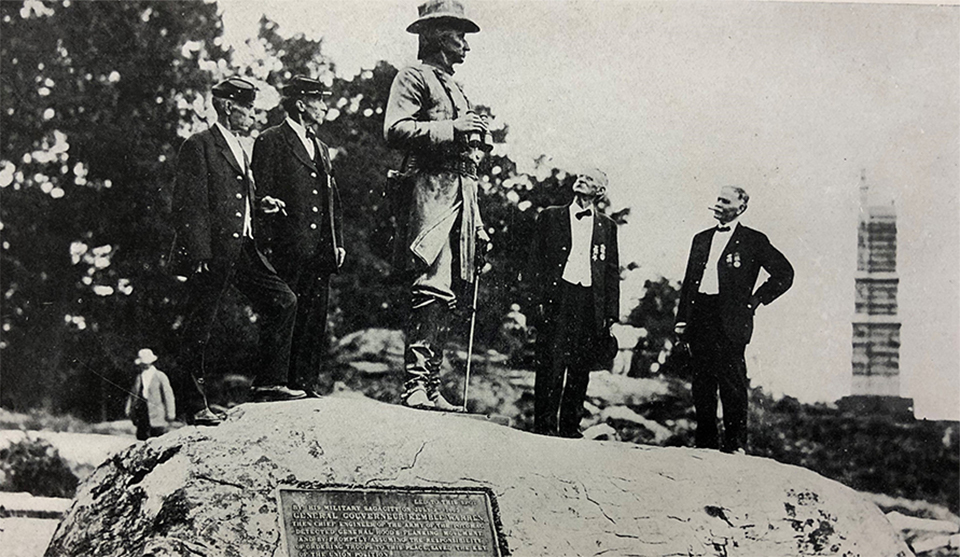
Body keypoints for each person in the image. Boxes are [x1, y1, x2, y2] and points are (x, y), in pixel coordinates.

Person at [170, 77, 303, 427]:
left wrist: (261, 205)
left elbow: (236, 201)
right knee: (201, 326)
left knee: (283, 300)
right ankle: (195, 406)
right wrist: (197, 252)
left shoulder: (239, 148)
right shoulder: (199, 145)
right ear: (230, 107)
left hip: (242, 246)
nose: (255, 117)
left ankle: (270, 384)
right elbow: (190, 204)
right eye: (250, 109)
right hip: (212, 251)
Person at [383, 0, 491, 411]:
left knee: (448, 290)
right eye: (459, 34)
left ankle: (430, 386)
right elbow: (395, 129)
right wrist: (453, 128)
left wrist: (477, 220)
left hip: (461, 191)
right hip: (430, 189)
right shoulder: (413, 77)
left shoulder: (456, 87)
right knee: (431, 280)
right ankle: (414, 385)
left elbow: (468, 158)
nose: (466, 43)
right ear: (436, 35)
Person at [674, 185, 794, 453]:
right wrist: (682, 320)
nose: (717, 203)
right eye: (716, 198)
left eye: (724, 201)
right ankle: (705, 442)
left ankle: (735, 443)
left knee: (732, 382)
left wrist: (756, 300)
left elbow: (784, 273)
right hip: (701, 314)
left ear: (740, 208)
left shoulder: (754, 240)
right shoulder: (701, 239)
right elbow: (689, 284)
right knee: (702, 381)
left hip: (730, 319)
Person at [252, 76, 345, 398]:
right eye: (319, 100)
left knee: (314, 315)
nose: (324, 106)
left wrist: (338, 241)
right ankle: (273, 381)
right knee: (283, 311)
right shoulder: (271, 140)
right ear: (302, 104)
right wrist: (267, 239)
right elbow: (259, 194)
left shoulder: (320, 147)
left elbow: (332, 198)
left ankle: (304, 383)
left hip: (320, 247)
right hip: (286, 245)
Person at [526, 169, 620, 438]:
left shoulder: (607, 227)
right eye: (581, 176)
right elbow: (535, 260)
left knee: (580, 367)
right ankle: (544, 426)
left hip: (590, 302)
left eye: (590, 180)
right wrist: (535, 300)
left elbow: (611, 271)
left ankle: (570, 426)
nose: (581, 180)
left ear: (600, 192)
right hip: (558, 297)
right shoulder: (551, 216)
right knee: (550, 364)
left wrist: (610, 314)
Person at [125, 349, 176, 440]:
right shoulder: (139, 377)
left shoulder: (160, 376)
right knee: (142, 440)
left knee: (159, 440)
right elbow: (133, 394)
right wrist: (129, 409)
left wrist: (170, 413)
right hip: (142, 415)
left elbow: (168, 395)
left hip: (158, 417)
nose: (144, 365)